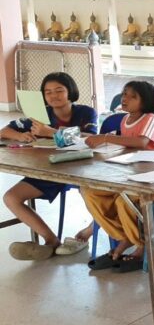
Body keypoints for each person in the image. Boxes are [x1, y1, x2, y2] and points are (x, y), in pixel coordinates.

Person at [1, 72, 98, 260]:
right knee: (11, 197)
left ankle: (88, 232)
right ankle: (51, 241)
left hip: (83, 171)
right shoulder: (39, 115)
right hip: (49, 170)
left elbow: (91, 139)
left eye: (59, 90)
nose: (53, 96)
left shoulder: (86, 112)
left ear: (70, 91)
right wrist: (20, 135)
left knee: (96, 198)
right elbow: (4, 131)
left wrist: (51, 132)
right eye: (48, 92)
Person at [82, 81, 154, 273]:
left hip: (148, 178)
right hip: (125, 174)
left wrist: (105, 137)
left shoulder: (150, 118)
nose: (125, 98)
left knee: (123, 201)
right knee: (89, 192)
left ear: (146, 101)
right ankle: (125, 236)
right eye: (124, 94)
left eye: (132, 96)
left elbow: (141, 142)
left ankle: (140, 246)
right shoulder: (125, 119)